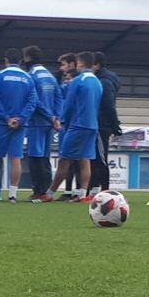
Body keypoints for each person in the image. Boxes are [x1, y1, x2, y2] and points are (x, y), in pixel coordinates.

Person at [34, 52, 102, 203]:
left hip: (77, 125)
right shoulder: (97, 82)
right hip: (92, 125)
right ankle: (83, 195)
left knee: (64, 160)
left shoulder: (77, 81)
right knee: (85, 160)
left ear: (81, 64)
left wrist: (62, 121)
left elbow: (69, 105)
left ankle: (49, 193)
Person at [0, 48, 39, 203]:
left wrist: (7, 118)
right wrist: (20, 119)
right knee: (16, 158)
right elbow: (32, 102)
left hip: (1, 123)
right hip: (20, 125)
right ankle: (12, 195)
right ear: (20, 61)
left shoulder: (0, 76)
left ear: (6, 60)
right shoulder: (28, 78)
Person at [22, 46, 62, 200]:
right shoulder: (50, 75)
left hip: (37, 122)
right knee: (45, 157)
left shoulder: (31, 75)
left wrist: (49, 117)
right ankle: (47, 191)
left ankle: (39, 191)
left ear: (27, 58)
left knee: (35, 157)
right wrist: (56, 117)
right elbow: (59, 97)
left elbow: (35, 101)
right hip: (49, 124)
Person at [89, 51, 122, 196]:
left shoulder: (104, 81)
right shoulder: (106, 79)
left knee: (100, 159)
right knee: (96, 158)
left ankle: (105, 190)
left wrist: (115, 126)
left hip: (102, 125)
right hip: (102, 124)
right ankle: (97, 189)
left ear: (96, 65)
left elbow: (108, 105)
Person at [56, 52, 80, 200]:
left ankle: (76, 190)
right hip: (69, 124)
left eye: (63, 64)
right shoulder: (68, 82)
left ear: (71, 64)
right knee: (71, 160)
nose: (61, 68)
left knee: (74, 159)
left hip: (73, 124)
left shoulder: (73, 83)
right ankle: (71, 190)